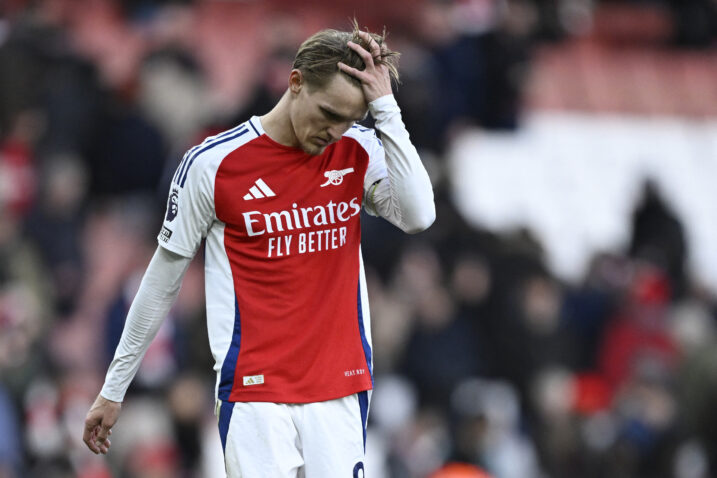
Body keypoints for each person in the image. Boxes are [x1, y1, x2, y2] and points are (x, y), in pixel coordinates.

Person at [82, 20, 435, 477]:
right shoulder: (213, 165)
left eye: (350, 118)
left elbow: (419, 215)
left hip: (341, 387)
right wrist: (114, 387)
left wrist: (386, 111)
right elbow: (161, 282)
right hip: (255, 394)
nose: (334, 130)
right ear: (295, 82)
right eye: (328, 112)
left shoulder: (357, 150)